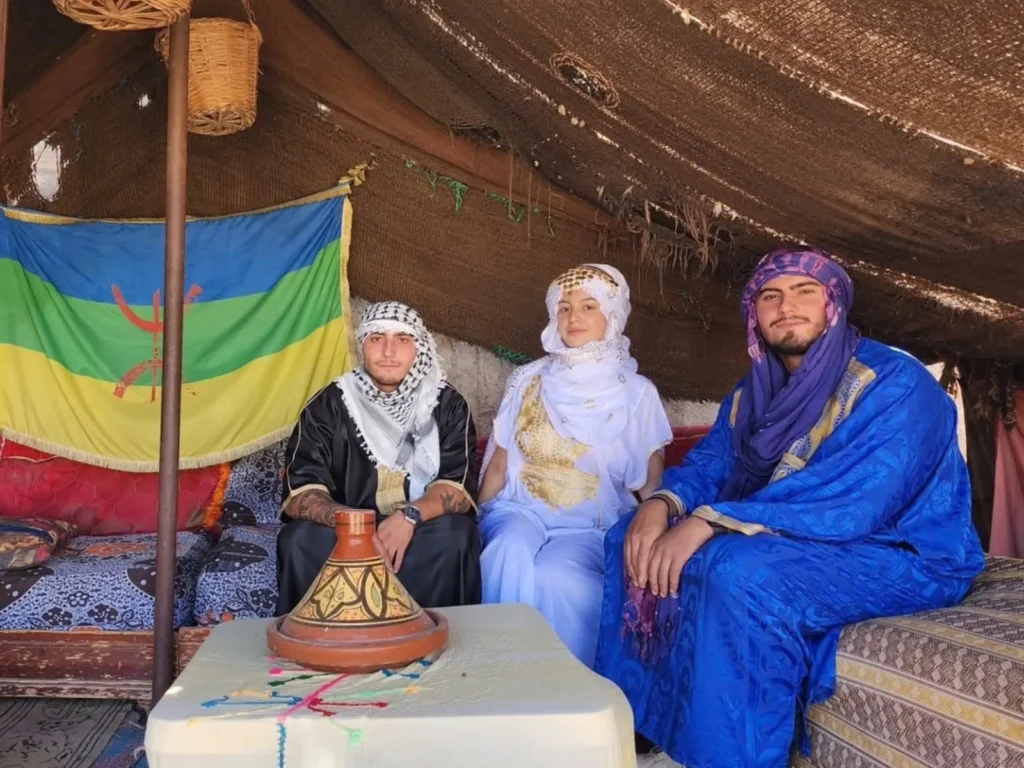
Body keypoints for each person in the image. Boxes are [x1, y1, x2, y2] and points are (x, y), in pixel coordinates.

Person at [595, 248, 985, 768]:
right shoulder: (752, 391)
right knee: (629, 536)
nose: (787, 306)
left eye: (806, 291)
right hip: (797, 536)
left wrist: (712, 522)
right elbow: (713, 464)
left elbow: (856, 499)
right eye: (770, 296)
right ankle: (645, 728)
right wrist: (664, 503)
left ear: (833, 306)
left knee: (739, 572)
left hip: (901, 551)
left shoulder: (894, 383)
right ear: (754, 315)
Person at [478, 264, 672, 667]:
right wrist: (473, 516)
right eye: (564, 307)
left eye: (588, 306)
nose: (574, 317)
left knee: (559, 577)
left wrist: (654, 545)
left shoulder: (637, 394)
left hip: (590, 525)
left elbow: (649, 488)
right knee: (505, 551)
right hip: (520, 510)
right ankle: (499, 678)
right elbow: (500, 463)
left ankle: (569, 694)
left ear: (612, 316)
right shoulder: (527, 378)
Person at [275, 300, 481, 615]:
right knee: (299, 539)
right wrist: (356, 526)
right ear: (362, 347)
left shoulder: (447, 405)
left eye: (402, 339)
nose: (388, 351)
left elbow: (457, 490)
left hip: (419, 525)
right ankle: (321, 645)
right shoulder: (329, 404)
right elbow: (301, 492)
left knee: (455, 535)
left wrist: (408, 518)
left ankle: (435, 643)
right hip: (345, 526)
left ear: (419, 348)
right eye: (376, 338)